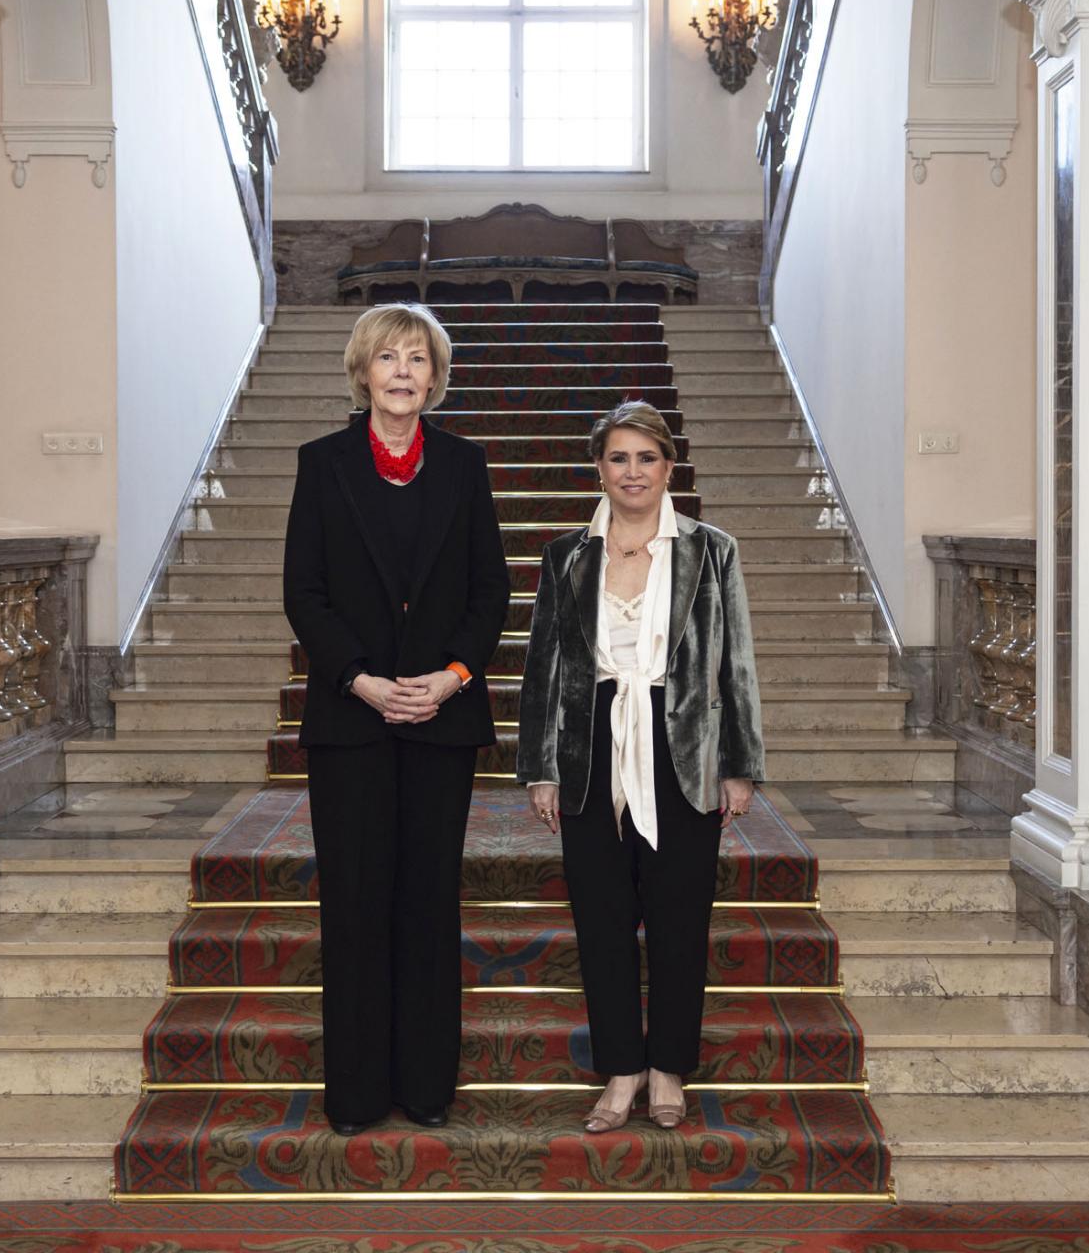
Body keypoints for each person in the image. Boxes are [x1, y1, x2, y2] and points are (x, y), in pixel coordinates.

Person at [283, 302, 510, 1137]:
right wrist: (363, 680)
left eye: (418, 357)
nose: (404, 371)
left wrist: (451, 677)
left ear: (435, 377)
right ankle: (356, 1093)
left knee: (426, 899)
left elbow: (492, 591)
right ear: (364, 372)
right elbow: (302, 593)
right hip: (353, 721)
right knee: (354, 900)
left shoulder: (465, 464)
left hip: (441, 718)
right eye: (389, 357)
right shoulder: (322, 463)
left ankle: (424, 1088)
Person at [517, 399, 765, 1133]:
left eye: (647, 458)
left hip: (682, 750)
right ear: (600, 468)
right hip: (590, 749)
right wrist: (540, 767)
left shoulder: (710, 549)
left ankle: (668, 1071)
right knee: (601, 919)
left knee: (679, 920)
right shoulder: (566, 554)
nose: (633, 472)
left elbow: (737, 666)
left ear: (669, 466)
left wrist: (739, 764)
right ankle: (622, 1072)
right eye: (619, 458)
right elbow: (543, 667)